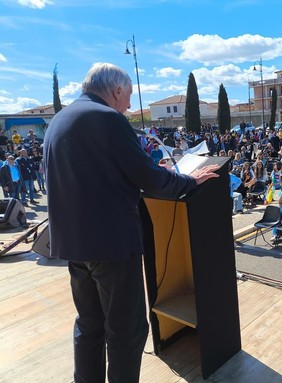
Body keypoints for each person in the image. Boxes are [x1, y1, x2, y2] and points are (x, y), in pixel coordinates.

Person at [43, 63, 219, 383]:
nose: (128, 106)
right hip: (111, 246)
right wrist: (189, 182)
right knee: (127, 330)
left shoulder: (59, 120)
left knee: (89, 325)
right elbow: (149, 178)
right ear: (117, 90)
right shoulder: (108, 119)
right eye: (129, 97)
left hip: (73, 245)